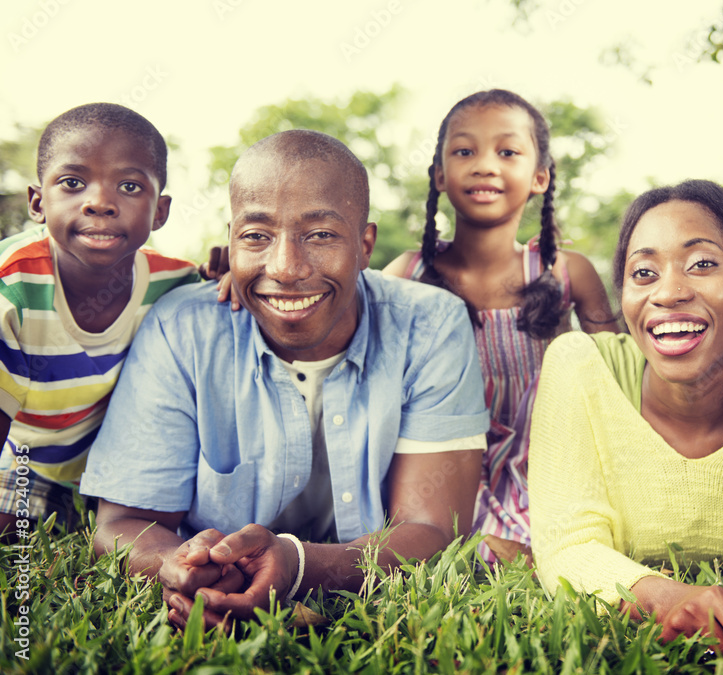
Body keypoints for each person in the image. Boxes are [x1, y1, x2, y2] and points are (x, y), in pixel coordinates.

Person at [79, 129, 489, 630]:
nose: (286, 267)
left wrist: (296, 567)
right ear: (230, 242)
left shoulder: (432, 325)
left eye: (319, 235)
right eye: (256, 236)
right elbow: (123, 523)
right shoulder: (181, 328)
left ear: (364, 245)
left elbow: (431, 529)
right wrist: (185, 568)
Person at [529, 180, 723, 656]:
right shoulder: (579, 365)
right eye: (643, 273)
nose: (669, 292)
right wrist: (672, 600)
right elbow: (568, 548)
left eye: (702, 264)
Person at [383, 90, 618, 563]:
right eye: (464, 151)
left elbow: (622, 381)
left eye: (507, 152)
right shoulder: (407, 274)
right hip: (437, 471)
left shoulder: (565, 273)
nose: (485, 165)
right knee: (431, 547)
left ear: (539, 177)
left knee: (564, 554)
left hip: (546, 473)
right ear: (439, 175)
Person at [0, 103, 199, 537]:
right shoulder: (11, 293)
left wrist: (233, 274)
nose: (100, 203)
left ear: (160, 211)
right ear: (37, 202)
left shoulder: (178, 283)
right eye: (72, 183)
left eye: (129, 186)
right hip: (29, 468)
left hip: (125, 479)